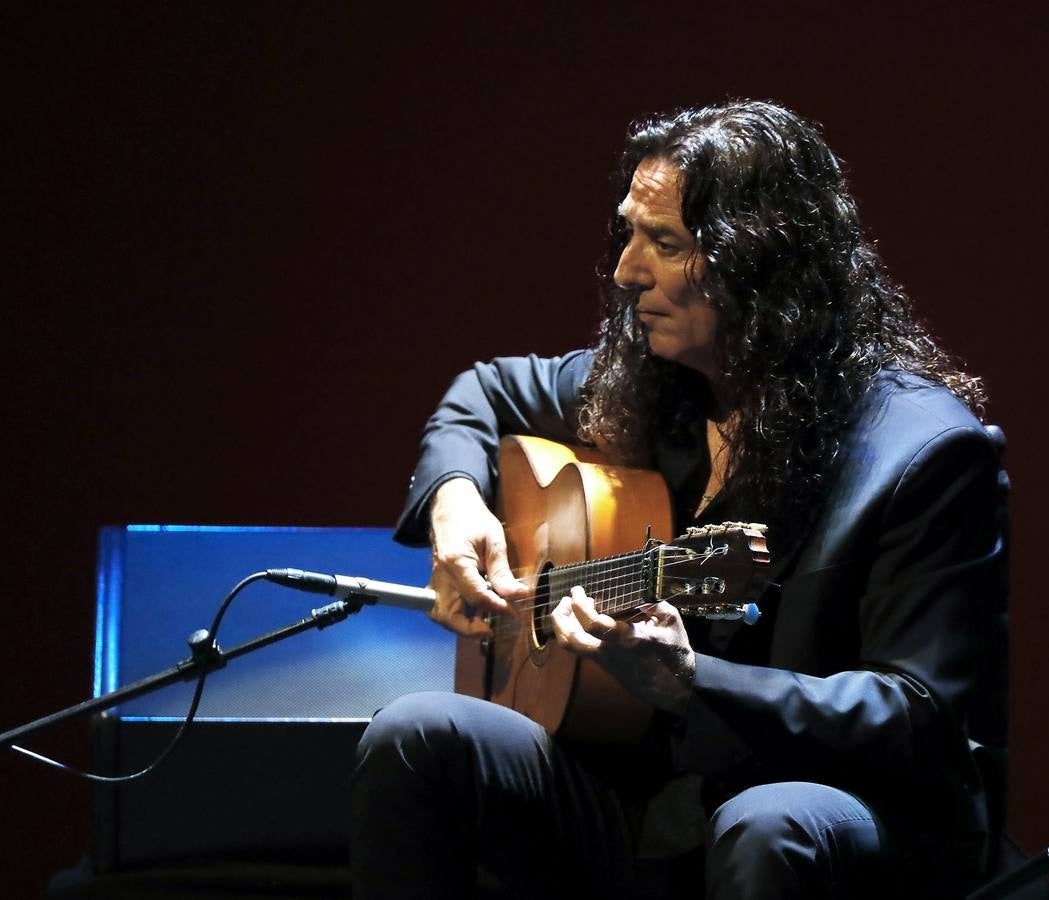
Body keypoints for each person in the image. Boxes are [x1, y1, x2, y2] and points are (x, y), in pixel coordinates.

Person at [351, 100, 1010, 899]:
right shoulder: (652, 383)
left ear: (762, 265)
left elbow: (916, 716)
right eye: (630, 233)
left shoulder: (920, 453)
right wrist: (456, 505)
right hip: (642, 796)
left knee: (769, 824)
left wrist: (693, 681)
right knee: (418, 733)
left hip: (829, 811)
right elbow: (479, 395)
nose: (628, 272)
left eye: (664, 243)